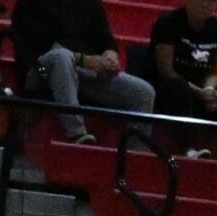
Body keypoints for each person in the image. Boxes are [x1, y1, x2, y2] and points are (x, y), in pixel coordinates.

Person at [11, 0, 151, 145]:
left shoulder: (90, 4)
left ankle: (132, 155)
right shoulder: (31, 4)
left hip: (84, 70)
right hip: (41, 70)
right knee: (61, 57)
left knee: (143, 91)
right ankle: (77, 133)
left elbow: (106, 40)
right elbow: (41, 49)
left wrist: (110, 56)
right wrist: (84, 60)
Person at [147, 0, 217, 159]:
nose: (206, 5)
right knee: (178, 88)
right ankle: (188, 148)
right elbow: (167, 72)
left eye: (211, 2)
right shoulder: (168, 22)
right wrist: (197, 92)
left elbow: (214, 72)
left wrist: (209, 90)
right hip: (168, 90)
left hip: (198, 91)